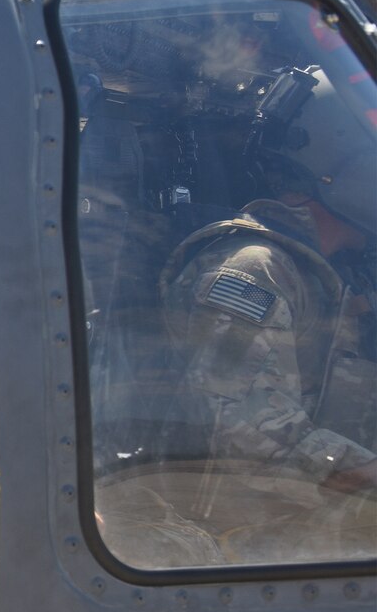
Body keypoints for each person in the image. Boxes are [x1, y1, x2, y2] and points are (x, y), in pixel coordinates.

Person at [160, 65, 377, 495]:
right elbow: (240, 423)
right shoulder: (254, 270)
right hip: (244, 538)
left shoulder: (335, 272)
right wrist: (365, 476)